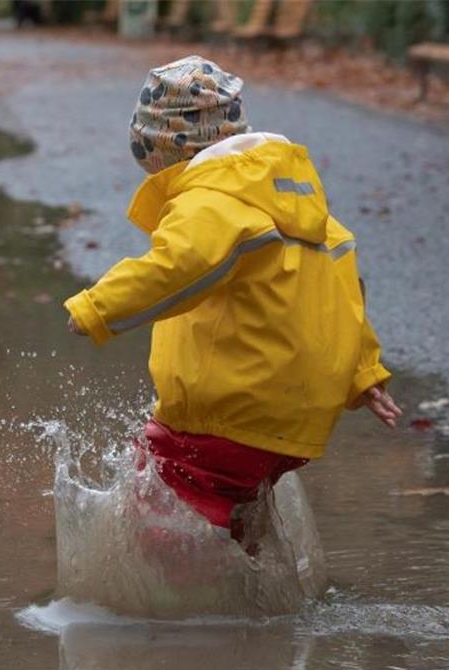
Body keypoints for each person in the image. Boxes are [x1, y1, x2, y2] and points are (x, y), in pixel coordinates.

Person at [64, 55, 401, 543]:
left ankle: (181, 609)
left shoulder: (212, 202)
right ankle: (254, 588)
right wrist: (363, 372)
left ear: (168, 154)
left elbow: (174, 268)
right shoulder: (303, 210)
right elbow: (341, 295)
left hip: (227, 412)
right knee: (237, 499)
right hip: (296, 419)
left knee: (158, 495)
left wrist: (96, 309)